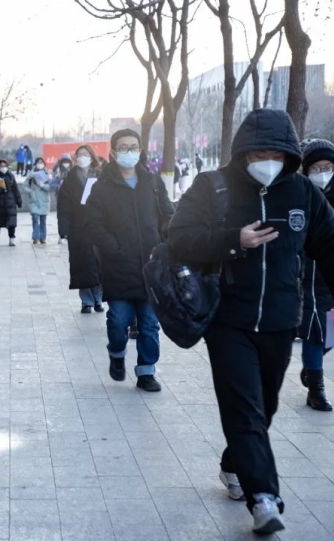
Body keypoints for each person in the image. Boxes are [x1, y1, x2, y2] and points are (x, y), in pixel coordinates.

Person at [168, 110, 334, 535]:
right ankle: (264, 498)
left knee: (265, 407)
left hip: (280, 320)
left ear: (289, 156)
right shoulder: (212, 187)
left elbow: (329, 245)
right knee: (243, 407)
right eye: (259, 154)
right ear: (242, 152)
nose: (268, 162)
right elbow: (179, 238)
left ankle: (234, 463)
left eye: (276, 155)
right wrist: (233, 241)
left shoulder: (301, 192)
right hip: (228, 320)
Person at [86, 129, 174, 392]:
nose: (129, 152)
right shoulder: (102, 188)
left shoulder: (153, 183)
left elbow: (168, 215)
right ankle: (116, 353)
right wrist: (114, 249)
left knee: (149, 323)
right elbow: (93, 225)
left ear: (140, 150)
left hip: (151, 267)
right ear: (113, 153)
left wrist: (165, 243)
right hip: (119, 267)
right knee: (118, 320)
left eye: (133, 147)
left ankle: (146, 371)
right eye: (123, 148)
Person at [298, 139, 334, 412]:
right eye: (316, 168)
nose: (322, 173)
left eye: (327, 167)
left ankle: (312, 368)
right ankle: (316, 388)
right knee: (315, 329)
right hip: (309, 273)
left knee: (328, 332)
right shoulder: (300, 196)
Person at [60, 145, 103, 313]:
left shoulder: (100, 176)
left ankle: (98, 299)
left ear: (92, 157)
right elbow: (63, 206)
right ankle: (86, 301)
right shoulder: (70, 179)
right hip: (77, 229)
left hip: (98, 226)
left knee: (98, 265)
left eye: (85, 154)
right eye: (79, 155)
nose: (82, 157)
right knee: (81, 266)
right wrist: (64, 229)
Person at [0, 159, 22, 247]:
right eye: (1, 166)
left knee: (11, 222)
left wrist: (19, 200)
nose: (3, 168)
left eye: (5, 166)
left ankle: (12, 238)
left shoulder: (11, 176)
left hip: (10, 202)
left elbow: (15, 189)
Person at [24, 157, 52, 245]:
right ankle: (35, 237)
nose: (40, 164)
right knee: (35, 218)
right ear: (35, 164)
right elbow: (25, 186)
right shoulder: (31, 175)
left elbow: (50, 188)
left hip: (44, 200)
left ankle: (42, 237)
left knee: (43, 220)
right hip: (34, 200)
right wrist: (31, 192)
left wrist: (43, 185)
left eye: (41, 162)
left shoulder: (47, 174)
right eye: (38, 162)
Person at [54, 153, 73, 241]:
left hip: (71, 196)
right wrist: (59, 185)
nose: (66, 163)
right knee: (61, 215)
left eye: (67, 161)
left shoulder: (73, 170)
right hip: (60, 196)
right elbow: (52, 184)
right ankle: (62, 234)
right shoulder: (57, 171)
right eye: (64, 161)